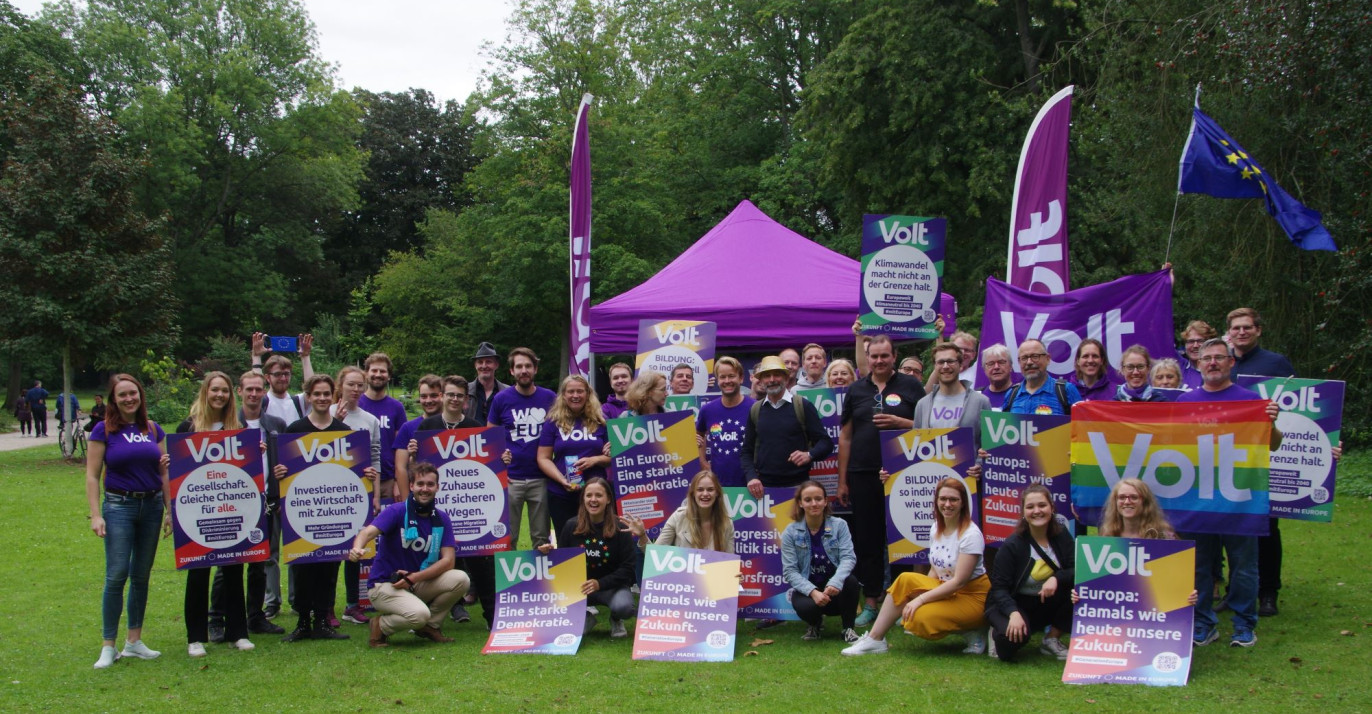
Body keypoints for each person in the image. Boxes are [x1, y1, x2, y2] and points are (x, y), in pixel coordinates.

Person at [1178, 337, 1281, 648]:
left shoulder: (1251, 402)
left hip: (1240, 499)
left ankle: (1244, 624)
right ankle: (1204, 623)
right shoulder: (1183, 404)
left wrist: (1271, 423)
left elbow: (1273, 445)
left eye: (1219, 358)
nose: (1212, 363)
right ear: (1197, 365)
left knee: (1243, 568)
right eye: (1206, 358)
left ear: (1231, 362)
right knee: (1198, 567)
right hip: (1195, 500)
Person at [842, 477, 990, 656]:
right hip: (946, 588)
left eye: (953, 499)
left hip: (972, 597)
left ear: (963, 503)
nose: (947, 504)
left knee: (919, 618)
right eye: (943, 499)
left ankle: (974, 629)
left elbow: (959, 582)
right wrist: (921, 593)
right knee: (905, 579)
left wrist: (920, 599)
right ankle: (875, 639)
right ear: (936, 501)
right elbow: (935, 569)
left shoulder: (971, 534)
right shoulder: (936, 527)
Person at [838, 334, 925, 626]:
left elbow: (928, 427)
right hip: (862, 473)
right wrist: (842, 481)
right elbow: (846, 436)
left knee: (902, 539)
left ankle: (901, 601)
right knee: (868, 539)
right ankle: (872, 601)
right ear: (867, 357)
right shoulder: (856, 389)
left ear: (894, 357)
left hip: (903, 472)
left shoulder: (912, 386)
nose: (878, 361)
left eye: (884, 356)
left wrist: (901, 423)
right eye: (873, 356)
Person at [85, 374, 170, 669]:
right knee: (117, 574)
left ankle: (134, 642)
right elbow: (92, 475)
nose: (129, 399)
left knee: (141, 575)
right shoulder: (103, 430)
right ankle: (109, 645)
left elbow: (164, 473)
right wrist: (96, 514)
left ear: (140, 395)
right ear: (113, 399)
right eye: (122, 395)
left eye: (133, 393)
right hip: (119, 505)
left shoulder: (153, 429)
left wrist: (170, 510)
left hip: (152, 505)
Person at [348, 462, 470, 648]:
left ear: (437, 487)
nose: (425, 489)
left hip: (415, 581)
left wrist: (414, 578)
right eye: (420, 484)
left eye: (430, 484)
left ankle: (430, 626)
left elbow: (448, 561)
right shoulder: (396, 511)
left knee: (461, 579)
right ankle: (380, 626)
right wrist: (357, 548)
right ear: (411, 486)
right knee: (419, 614)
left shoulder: (441, 518)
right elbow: (367, 533)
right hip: (385, 585)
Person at [175, 372, 254, 657]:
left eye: (224, 391)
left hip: (232, 511)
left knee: (234, 569)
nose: (220, 395)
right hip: (200, 511)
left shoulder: (238, 426)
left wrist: (257, 452)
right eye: (215, 390)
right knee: (198, 573)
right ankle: (195, 637)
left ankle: (238, 633)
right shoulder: (188, 427)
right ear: (205, 392)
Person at [1226, 307, 1295, 617]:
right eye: (1236, 328)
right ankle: (1235, 591)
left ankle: (1268, 592)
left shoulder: (1276, 364)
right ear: (1229, 332)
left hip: (1264, 454)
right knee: (1230, 527)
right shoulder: (1224, 364)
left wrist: (1326, 447)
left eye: (1247, 327)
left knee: (1266, 526)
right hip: (1228, 457)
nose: (1242, 332)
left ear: (1258, 330)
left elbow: (1300, 408)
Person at [207, 371, 287, 637]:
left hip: (266, 503)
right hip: (234, 505)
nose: (254, 394)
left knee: (260, 564)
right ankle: (217, 619)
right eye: (248, 389)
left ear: (264, 392)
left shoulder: (275, 424)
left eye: (258, 389)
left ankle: (256, 617)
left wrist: (279, 474)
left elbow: (285, 461)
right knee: (227, 564)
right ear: (238, 392)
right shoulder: (228, 424)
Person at [277, 374, 356, 642]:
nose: (322, 398)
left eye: (326, 394)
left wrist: (364, 472)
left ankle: (323, 621)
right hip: (304, 511)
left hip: (334, 512)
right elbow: (284, 471)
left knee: (329, 567)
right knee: (303, 566)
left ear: (332, 397)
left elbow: (352, 472)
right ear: (308, 397)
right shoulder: (295, 429)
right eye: (317, 394)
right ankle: (302, 622)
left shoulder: (343, 432)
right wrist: (280, 472)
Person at [413, 375, 485, 625]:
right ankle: (449, 606)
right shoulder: (427, 427)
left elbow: (486, 462)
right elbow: (418, 468)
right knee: (440, 554)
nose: (455, 399)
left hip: (467, 502)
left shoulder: (475, 425)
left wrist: (502, 459)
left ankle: (479, 609)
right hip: (436, 504)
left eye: (460, 396)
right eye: (450, 394)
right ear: (442, 395)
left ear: (466, 400)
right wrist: (414, 455)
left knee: (474, 555)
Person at [539, 477, 643, 638]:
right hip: (579, 588)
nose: (593, 500)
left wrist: (599, 583)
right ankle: (585, 617)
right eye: (589, 496)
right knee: (548, 601)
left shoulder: (620, 528)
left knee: (624, 607)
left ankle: (616, 619)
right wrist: (550, 553)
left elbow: (628, 569)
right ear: (583, 499)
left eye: (598, 495)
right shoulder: (571, 526)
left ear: (608, 499)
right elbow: (563, 563)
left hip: (612, 587)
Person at [985, 485, 1074, 661]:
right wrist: (1013, 613)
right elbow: (999, 589)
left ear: (1052, 508)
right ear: (1023, 512)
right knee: (1010, 644)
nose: (1037, 511)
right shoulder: (1012, 545)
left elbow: (1077, 568)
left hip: (1045, 601)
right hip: (1012, 603)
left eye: (1042, 505)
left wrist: (1057, 578)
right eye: (1030, 507)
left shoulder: (1062, 534)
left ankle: (1052, 639)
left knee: (1080, 592)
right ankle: (995, 631)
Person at [489, 347, 557, 549]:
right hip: (511, 477)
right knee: (508, 538)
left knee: (541, 538)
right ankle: (508, 580)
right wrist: (498, 469)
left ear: (535, 369)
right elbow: (490, 438)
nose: (523, 370)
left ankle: (540, 580)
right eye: (519, 366)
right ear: (511, 371)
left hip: (541, 477)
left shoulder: (549, 397)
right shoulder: (501, 399)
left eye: (528, 366)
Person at [331, 366, 384, 626]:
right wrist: (336, 424)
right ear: (340, 385)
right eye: (351, 384)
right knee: (328, 551)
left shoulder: (369, 420)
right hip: (328, 491)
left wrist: (375, 496)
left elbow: (374, 458)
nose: (355, 390)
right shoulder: (326, 414)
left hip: (358, 493)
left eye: (359, 385)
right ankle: (326, 608)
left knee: (356, 549)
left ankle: (353, 604)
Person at [740, 356, 833, 498]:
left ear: (785, 377)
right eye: (767, 376)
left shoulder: (802, 405)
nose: (771, 379)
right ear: (761, 380)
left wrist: (809, 455)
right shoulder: (756, 410)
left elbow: (826, 443)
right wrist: (752, 477)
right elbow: (746, 451)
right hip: (765, 489)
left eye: (776, 374)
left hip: (799, 487)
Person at [780, 480, 859, 643]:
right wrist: (813, 592)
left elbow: (848, 558)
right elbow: (790, 571)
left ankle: (848, 629)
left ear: (825, 501)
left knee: (850, 582)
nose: (813, 503)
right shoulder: (790, 532)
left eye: (818, 499)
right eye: (808, 500)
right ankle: (814, 625)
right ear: (800, 503)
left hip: (836, 590)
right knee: (804, 606)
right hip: (810, 591)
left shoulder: (840, 525)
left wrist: (836, 582)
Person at [537, 375, 610, 535]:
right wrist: (561, 479)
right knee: (567, 541)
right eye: (571, 392)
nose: (575, 395)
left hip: (594, 494)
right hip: (561, 493)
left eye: (580, 391)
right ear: (563, 395)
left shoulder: (601, 420)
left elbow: (613, 457)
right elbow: (543, 458)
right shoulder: (552, 422)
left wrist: (595, 460)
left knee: (596, 539)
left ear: (588, 394)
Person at [696, 357, 755, 488]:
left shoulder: (755, 407)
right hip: (718, 484)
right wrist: (703, 462)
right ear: (718, 380)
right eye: (722, 377)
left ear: (741, 378)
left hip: (750, 482)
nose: (727, 381)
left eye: (731, 376)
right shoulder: (707, 410)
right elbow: (698, 436)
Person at [359, 353, 409, 503]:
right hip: (360, 477)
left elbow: (401, 448)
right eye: (374, 370)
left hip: (388, 480)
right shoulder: (356, 404)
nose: (378, 375)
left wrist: (397, 481)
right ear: (366, 373)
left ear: (389, 376)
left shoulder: (396, 407)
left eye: (382, 371)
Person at [393, 374, 445, 501]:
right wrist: (407, 503)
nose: (428, 401)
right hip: (420, 495)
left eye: (433, 395)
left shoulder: (452, 425)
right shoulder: (408, 428)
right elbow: (400, 468)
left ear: (442, 396)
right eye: (423, 396)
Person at [655, 470, 734, 552]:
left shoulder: (727, 523)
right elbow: (656, 552)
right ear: (693, 493)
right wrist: (643, 536)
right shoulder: (678, 517)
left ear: (717, 493)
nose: (705, 494)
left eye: (710, 490)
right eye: (700, 490)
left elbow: (729, 563)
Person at [1001, 339, 1082, 416]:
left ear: (1048, 359)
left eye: (1035, 356)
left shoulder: (1066, 391)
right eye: (1024, 358)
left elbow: (1081, 426)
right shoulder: (1011, 394)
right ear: (1019, 362)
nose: (1029, 362)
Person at [252, 332, 315, 425]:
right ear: (267, 377)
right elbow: (255, 385)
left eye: (286, 374)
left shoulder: (298, 402)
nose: (283, 378)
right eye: (277, 374)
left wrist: (305, 356)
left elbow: (312, 388)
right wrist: (256, 356)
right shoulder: (262, 402)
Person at [465, 341, 509, 426]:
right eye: (480, 362)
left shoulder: (507, 392)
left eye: (488, 362)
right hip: (470, 438)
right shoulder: (464, 391)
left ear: (496, 365)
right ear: (475, 365)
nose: (484, 366)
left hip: (499, 438)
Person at [1177, 320, 1217, 390]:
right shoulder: (1179, 366)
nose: (1195, 345)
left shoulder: (1218, 371)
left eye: (1200, 341)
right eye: (1190, 341)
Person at [979, 344, 1017, 411]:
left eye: (1001, 362)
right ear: (984, 369)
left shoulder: (1021, 395)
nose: (996, 367)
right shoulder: (977, 395)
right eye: (991, 363)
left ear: (1011, 366)